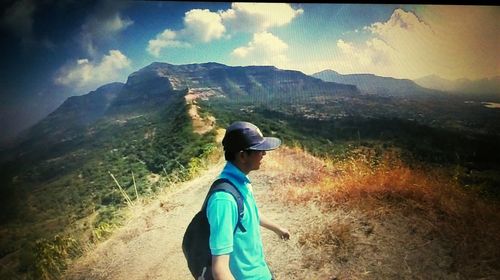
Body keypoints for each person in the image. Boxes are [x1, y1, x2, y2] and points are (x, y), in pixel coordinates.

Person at [207, 121, 290, 280]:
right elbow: (219, 269)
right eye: (259, 150)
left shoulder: (240, 182)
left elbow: (250, 213)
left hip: (260, 271)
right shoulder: (224, 200)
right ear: (243, 155)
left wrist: (277, 228)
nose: (264, 154)